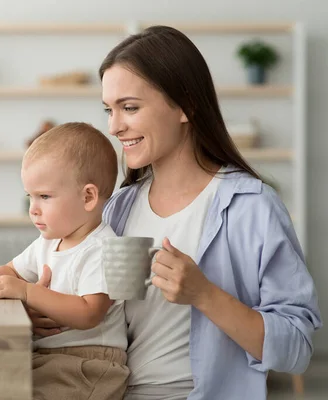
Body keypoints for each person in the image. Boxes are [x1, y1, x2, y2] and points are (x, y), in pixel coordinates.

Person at [28, 26, 323, 400]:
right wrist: (43, 314)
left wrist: (205, 295)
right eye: (109, 109)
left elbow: (296, 350)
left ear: (185, 105)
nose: (114, 126)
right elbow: (101, 315)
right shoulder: (119, 207)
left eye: (130, 107)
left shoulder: (251, 207)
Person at [0, 122, 131, 400]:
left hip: (88, 365)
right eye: (30, 197)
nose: (33, 209)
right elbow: (13, 270)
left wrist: (27, 292)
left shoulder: (102, 248)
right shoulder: (49, 241)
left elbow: (90, 313)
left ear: (88, 197)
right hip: (48, 357)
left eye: (44, 197)